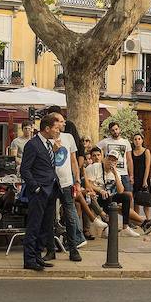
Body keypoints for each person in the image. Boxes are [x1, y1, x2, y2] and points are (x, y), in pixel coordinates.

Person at [20, 114, 61, 271]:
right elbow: (25, 169)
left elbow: (48, 165)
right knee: (34, 225)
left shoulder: (49, 144)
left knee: (46, 226)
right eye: (56, 128)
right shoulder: (33, 144)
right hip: (39, 191)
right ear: (47, 128)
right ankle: (29, 259)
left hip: (51, 189)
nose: (58, 131)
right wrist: (35, 187)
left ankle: (37, 255)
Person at [44, 112, 84, 263]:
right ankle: (50, 250)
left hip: (66, 182)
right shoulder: (46, 139)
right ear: (54, 123)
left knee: (70, 215)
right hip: (50, 182)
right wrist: (53, 150)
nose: (64, 123)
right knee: (49, 216)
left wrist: (77, 180)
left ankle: (73, 248)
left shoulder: (68, 137)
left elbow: (73, 160)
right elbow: (44, 160)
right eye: (61, 121)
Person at [84, 151, 151, 236]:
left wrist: (115, 175)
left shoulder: (116, 172)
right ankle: (108, 227)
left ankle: (126, 227)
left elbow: (120, 190)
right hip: (96, 196)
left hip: (109, 196)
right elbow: (89, 183)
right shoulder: (96, 167)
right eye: (109, 159)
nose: (111, 162)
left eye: (113, 160)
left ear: (116, 162)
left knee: (126, 197)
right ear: (105, 159)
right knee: (109, 198)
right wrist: (100, 190)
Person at [97, 122, 132, 194]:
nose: (115, 131)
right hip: (110, 173)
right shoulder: (105, 141)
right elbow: (95, 150)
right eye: (113, 130)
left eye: (116, 129)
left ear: (119, 129)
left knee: (129, 194)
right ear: (110, 131)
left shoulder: (125, 142)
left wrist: (131, 175)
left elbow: (129, 160)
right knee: (113, 195)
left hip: (123, 173)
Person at [131, 133, 151, 221]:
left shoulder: (146, 151)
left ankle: (148, 219)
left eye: (139, 139)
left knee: (145, 200)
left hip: (144, 177)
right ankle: (137, 220)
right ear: (133, 141)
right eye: (135, 139)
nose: (137, 141)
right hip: (135, 178)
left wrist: (145, 180)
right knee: (136, 201)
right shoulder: (131, 152)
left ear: (142, 140)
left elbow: (147, 167)